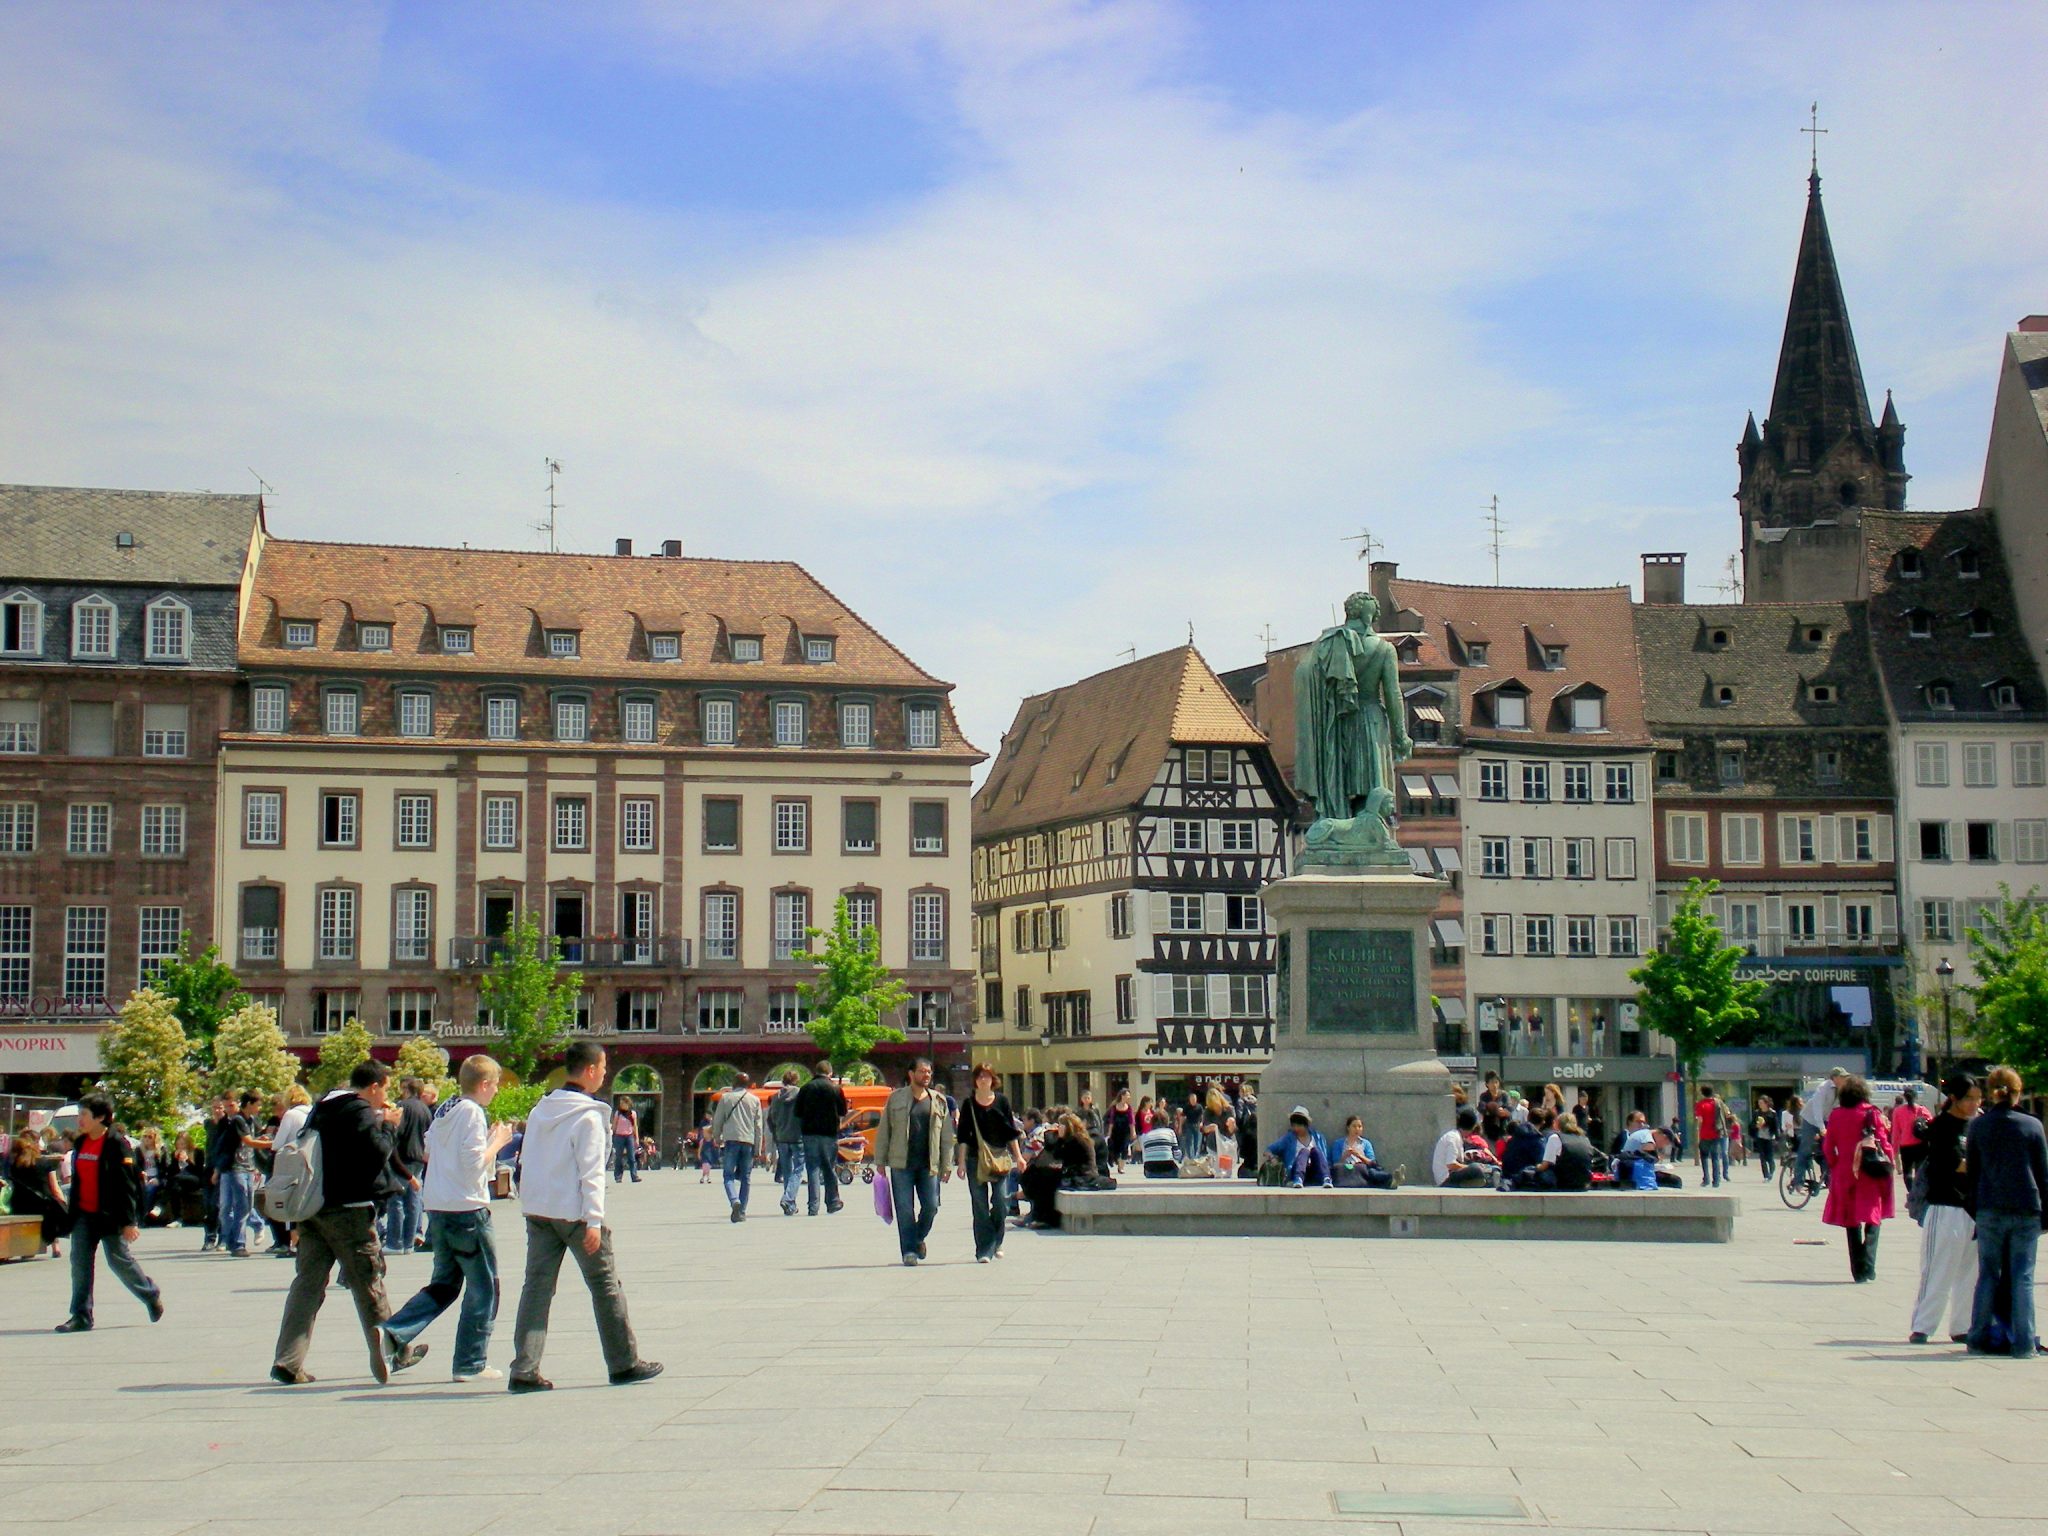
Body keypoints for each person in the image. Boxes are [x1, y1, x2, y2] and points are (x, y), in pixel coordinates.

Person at [508, 1041, 662, 1391]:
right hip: (576, 1215)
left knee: (536, 1289)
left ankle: (524, 1368)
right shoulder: (590, 1115)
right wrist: (594, 1220)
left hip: (539, 1211)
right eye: (604, 1067)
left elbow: (526, 1161)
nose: (605, 1073)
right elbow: (591, 1171)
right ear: (590, 1070)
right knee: (605, 1286)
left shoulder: (540, 1109)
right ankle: (624, 1362)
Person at [271, 1061, 422, 1386]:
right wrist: (390, 1125)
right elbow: (377, 1152)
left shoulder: (322, 1107)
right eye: (385, 1090)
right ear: (375, 1086)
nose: (386, 1098)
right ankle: (392, 1355)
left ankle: (288, 1360)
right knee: (369, 1284)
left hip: (313, 1209)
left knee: (307, 1285)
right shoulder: (359, 1110)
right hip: (349, 1211)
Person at [381, 1054, 515, 1382]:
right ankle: (470, 1362)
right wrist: (497, 1142)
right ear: (483, 1085)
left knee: (445, 1283)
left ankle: (395, 1331)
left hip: (439, 1206)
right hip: (466, 1208)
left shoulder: (448, 1107)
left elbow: (430, 1149)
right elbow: (473, 1165)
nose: (496, 1091)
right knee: (484, 1286)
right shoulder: (472, 1112)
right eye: (495, 1085)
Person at [53, 1095, 163, 1333]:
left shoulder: (117, 1144)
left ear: (100, 1117)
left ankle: (149, 1294)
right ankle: (81, 1315)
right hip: (84, 1214)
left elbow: (127, 1185)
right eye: (79, 1113)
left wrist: (129, 1221)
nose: (79, 1119)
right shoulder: (81, 1143)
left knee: (119, 1260)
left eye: (84, 1114)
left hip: (110, 1215)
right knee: (80, 1263)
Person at [1963, 1067, 2047, 1358]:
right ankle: (2024, 1344)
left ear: (1991, 1092)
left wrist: (1974, 1208)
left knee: (1988, 1273)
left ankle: (1977, 1337)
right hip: (2026, 1206)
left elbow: (1972, 1173)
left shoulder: (1978, 1126)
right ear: (2018, 1091)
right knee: (2022, 1276)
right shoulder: (2032, 1126)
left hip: (1989, 1206)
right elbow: (2043, 1174)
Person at [1909, 1072, 1981, 1345]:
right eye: (1969, 1099)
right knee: (1937, 1268)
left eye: (1977, 1099)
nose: (1974, 1104)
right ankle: (1923, 1325)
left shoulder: (1975, 1126)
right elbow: (1957, 1164)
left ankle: (1962, 1325)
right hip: (1944, 1205)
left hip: (1971, 1207)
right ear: (1954, 1098)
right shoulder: (1942, 1127)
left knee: (1969, 1270)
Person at [876, 1057, 955, 1266]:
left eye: (929, 1072)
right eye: (922, 1071)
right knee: (904, 1209)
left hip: (929, 1164)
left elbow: (947, 1135)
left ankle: (918, 1237)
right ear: (911, 1074)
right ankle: (909, 1251)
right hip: (901, 1163)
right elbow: (885, 1130)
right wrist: (880, 1161)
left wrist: (947, 1165)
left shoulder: (939, 1100)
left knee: (931, 1206)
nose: (926, 1075)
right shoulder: (896, 1099)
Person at [1821, 1074, 1895, 1283]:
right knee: (1873, 1217)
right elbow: (1883, 1142)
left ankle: (1857, 1269)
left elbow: (1828, 1146)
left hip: (1845, 1171)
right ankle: (1868, 1263)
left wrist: (1836, 1163)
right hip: (1869, 1171)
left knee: (1851, 1220)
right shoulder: (1872, 1113)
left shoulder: (1836, 1116)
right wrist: (1889, 1161)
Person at [954, 1065, 1021, 1262]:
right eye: (980, 1076)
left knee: (1001, 1202)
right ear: (975, 1080)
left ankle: (996, 1240)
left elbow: (1010, 1132)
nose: (983, 1080)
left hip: (999, 1158)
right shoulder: (968, 1104)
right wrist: (961, 1162)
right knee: (979, 1205)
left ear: (993, 1080)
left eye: (987, 1076)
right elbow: (963, 1135)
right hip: (975, 1159)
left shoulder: (1002, 1101)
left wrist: (1019, 1157)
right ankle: (984, 1249)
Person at [708, 1073, 766, 1223]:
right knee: (746, 1177)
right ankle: (742, 1211)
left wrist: (716, 1137)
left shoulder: (726, 1098)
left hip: (731, 1140)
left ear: (734, 1083)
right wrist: (758, 1147)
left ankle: (734, 1200)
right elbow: (758, 1126)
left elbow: (718, 1120)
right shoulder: (754, 1100)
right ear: (748, 1084)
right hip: (748, 1141)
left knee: (728, 1175)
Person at [794, 1062, 850, 1216]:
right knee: (829, 1167)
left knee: (812, 1169)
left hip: (809, 1133)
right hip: (829, 1134)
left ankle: (813, 1206)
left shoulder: (806, 1088)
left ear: (815, 1072)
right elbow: (843, 1111)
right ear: (830, 1073)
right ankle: (832, 1201)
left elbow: (797, 1112)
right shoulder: (835, 1089)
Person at [384, 1077, 432, 1254]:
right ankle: (409, 1241)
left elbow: (397, 1131)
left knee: (396, 1199)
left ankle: (395, 1242)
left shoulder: (402, 1107)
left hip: (402, 1156)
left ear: (407, 1089)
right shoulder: (424, 1109)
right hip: (418, 1156)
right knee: (413, 1201)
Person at [213, 1091, 264, 1257]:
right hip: (236, 1168)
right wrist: (274, 1143)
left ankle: (232, 1241)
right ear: (249, 1103)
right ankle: (238, 1244)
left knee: (247, 1205)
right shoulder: (238, 1120)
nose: (259, 1108)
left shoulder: (251, 1120)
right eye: (257, 1104)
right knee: (241, 1205)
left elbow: (257, 1137)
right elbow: (248, 1141)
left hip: (248, 1167)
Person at [1793, 1069, 1845, 1188]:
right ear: (1835, 1077)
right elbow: (1817, 1108)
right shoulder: (1824, 1087)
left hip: (1826, 1121)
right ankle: (1798, 1181)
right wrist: (1821, 1128)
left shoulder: (1842, 1090)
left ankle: (1828, 1180)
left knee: (1828, 1150)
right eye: (1843, 1077)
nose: (1844, 1080)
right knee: (1805, 1149)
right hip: (1810, 1119)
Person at [767, 1070, 805, 1216]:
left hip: (781, 1137)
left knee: (787, 1171)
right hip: (798, 1137)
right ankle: (788, 1198)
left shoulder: (776, 1097)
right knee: (798, 1169)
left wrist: (776, 1133)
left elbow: (770, 1119)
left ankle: (790, 1204)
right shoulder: (801, 1094)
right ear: (796, 1080)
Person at [1266, 1108, 1332, 1188]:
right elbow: (1268, 1150)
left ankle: (1326, 1178)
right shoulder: (1289, 1138)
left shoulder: (1318, 1137)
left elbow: (1325, 1157)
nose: (1296, 1128)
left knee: (1316, 1151)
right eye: (1294, 1126)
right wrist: (1272, 1158)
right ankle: (1298, 1179)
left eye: (1299, 1125)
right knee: (1304, 1151)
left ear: (1306, 1124)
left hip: (1315, 1170)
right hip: (1296, 1170)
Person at [1330, 1115, 1398, 1189]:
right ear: (1348, 1127)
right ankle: (1390, 1181)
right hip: (1346, 1170)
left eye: (1359, 1126)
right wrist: (1345, 1156)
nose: (1357, 1129)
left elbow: (1372, 1162)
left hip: (1362, 1169)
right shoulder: (1339, 1143)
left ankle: (1391, 1179)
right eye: (1354, 1126)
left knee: (1372, 1172)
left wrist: (1359, 1155)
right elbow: (1335, 1163)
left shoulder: (1365, 1143)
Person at [1433, 1108, 1491, 1188]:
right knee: (1476, 1169)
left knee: (1481, 1168)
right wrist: (1469, 1167)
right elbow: (1451, 1164)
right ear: (1472, 1127)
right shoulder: (1453, 1138)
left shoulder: (1455, 1136)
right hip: (1445, 1179)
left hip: (1450, 1175)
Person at [1891, 1088, 1931, 1186]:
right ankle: (1917, 1193)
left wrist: (1895, 1149)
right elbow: (1932, 1123)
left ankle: (1911, 1190)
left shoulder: (1898, 1111)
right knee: (1919, 1171)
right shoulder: (1922, 1110)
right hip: (1921, 1144)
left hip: (1905, 1146)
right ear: (1916, 1097)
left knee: (1907, 1173)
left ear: (1905, 1097)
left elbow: (1896, 1132)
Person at [1692, 1085, 1728, 1189]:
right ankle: (1716, 1180)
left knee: (1704, 1157)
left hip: (1705, 1134)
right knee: (1715, 1157)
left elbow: (1700, 1120)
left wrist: (1699, 1130)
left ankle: (1706, 1179)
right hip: (1716, 1133)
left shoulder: (1700, 1104)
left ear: (1702, 1093)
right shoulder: (1717, 1103)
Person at [1550, 1114, 1597, 1192]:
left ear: (1558, 1124)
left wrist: (1536, 1168)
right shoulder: (1585, 1139)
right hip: (1583, 1181)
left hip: (1563, 1181)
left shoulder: (1555, 1137)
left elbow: (1547, 1163)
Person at [610, 1096, 641, 1184]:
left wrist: (637, 1138)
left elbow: (635, 1126)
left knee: (632, 1157)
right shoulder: (618, 1113)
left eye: (623, 1103)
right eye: (620, 1103)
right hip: (619, 1136)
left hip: (629, 1136)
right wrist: (611, 1134)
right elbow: (614, 1125)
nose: (621, 1105)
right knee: (619, 1157)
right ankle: (618, 1177)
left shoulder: (632, 1114)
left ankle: (634, 1176)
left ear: (628, 1104)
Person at [1104, 1088, 1134, 1168]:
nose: (1129, 1097)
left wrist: (1133, 1132)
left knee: (1125, 1148)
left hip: (1125, 1131)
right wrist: (1109, 1132)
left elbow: (1131, 1121)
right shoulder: (1114, 1107)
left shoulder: (1129, 1108)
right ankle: (1116, 1160)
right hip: (1116, 1131)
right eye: (1127, 1095)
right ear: (1122, 1096)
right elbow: (1111, 1121)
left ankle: (1121, 1167)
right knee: (1116, 1149)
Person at [1752, 1094, 1778, 1181]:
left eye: (1762, 1103)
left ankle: (1771, 1171)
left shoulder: (1772, 1113)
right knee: (1762, 1157)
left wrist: (1777, 1137)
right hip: (1760, 1136)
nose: (1760, 1105)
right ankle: (1766, 1175)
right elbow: (1752, 1124)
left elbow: (1775, 1126)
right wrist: (1756, 1126)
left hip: (1769, 1137)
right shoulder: (1756, 1113)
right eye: (1759, 1103)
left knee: (1770, 1157)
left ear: (1766, 1103)